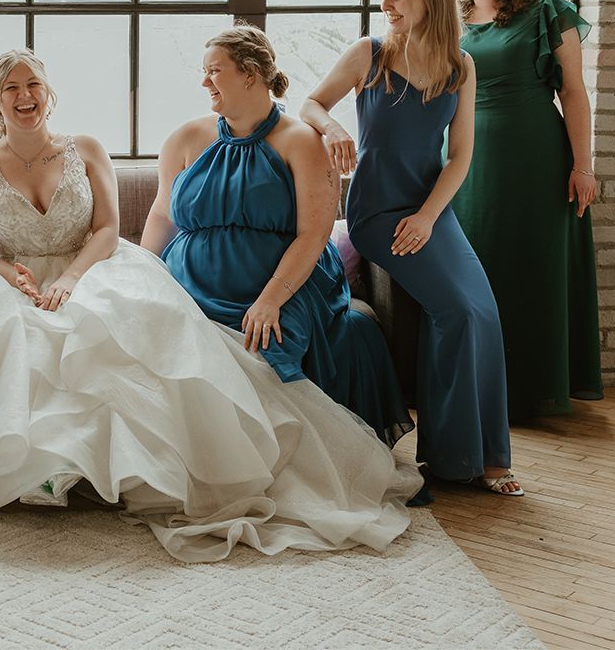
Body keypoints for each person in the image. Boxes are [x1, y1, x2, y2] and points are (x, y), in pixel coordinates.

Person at [0, 49, 421, 563]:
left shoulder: (85, 149)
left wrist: (72, 279)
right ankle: (41, 468)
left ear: (48, 91)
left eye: (33, 84)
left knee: (102, 336)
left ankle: (128, 468)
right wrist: (10, 276)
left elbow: (107, 229)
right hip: (11, 278)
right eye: (11, 88)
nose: (24, 96)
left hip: (88, 267)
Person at [300, 0, 520, 496]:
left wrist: (428, 216)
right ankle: (457, 459)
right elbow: (309, 103)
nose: (387, 3)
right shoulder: (368, 54)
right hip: (377, 213)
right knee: (458, 309)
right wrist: (331, 128)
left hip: (429, 212)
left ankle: (482, 457)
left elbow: (460, 156)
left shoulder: (460, 66)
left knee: (479, 310)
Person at [144, 27, 414, 449]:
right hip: (190, 282)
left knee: (266, 346)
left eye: (214, 71)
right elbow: (162, 213)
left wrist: (270, 299)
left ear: (250, 74)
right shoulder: (184, 138)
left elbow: (313, 233)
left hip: (282, 283)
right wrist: (146, 275)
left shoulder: (301, 141)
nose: (204, 82)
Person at [449, 0, 602, 419]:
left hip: (537, 157)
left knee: (535, 267)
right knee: (482, 266)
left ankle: (537, 389)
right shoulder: (453, 22)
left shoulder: (545, 12)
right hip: (469, 162)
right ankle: (485, 389)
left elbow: (573, 91)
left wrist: (583, 166)